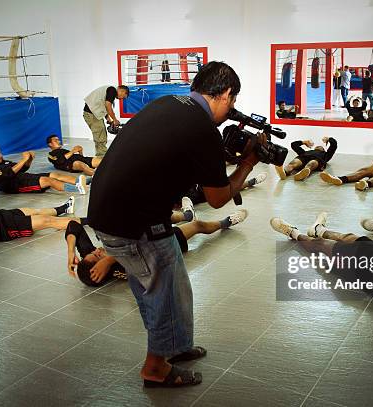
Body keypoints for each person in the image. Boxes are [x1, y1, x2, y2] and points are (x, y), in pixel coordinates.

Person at [87, 61, 261, 387]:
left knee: (174, 281)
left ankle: (176, 346)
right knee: (162, 290)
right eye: (233, 100)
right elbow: (218, 197)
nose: (232, 108)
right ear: (224, 94)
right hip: (132, 223)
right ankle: (155, 368)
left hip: (107, 212)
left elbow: (179, 154)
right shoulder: (203, 128)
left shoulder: (169, 103)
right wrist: (248, 163)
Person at [66, 199, 248, 287]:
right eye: (98, 256)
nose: (97, 251)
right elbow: (144, 257)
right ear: (101, 272)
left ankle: (186, 214)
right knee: (197, 226)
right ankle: (226, 222)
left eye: (92, 253)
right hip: (157, 244)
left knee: (161, 215)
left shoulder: (90, 255)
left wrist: (70, 253)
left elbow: (73, 225)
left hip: (140, 226)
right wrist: (111, 259)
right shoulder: (122, 271)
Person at [0, 143, 87, 194]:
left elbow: (22, 169)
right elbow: (8, 173)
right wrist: (23, 159)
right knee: (48, 180)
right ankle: (77, 189)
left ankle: (83, 181)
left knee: (54, 174)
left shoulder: (3, 161)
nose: (0, 155)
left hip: (23, 177)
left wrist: (29, 159)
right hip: (16, 186)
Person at [83, 84, 130, 156]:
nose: (121, 99)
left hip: (93, 114)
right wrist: (115, 120)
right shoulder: (112, 90)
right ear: (122, 90)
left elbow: (103, 108)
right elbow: (108, 106)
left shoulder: (109, 91)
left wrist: (109, 120)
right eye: (123, 97)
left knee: (101, 133)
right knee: (100, 134)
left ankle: (101, 153)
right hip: (91, 114)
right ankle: (101, 156)